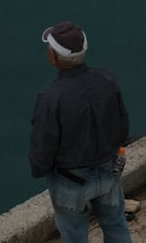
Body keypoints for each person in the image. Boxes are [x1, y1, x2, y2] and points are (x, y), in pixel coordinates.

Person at [30, 22, 132, 243]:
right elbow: (123, 125)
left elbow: (43, 147)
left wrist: (41, 169)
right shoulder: (108, 79)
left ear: (53, 58)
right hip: (109, 170)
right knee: (116, 224)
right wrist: (117, 151)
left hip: (70, 181)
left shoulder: (51, 97)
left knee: (75, 235)